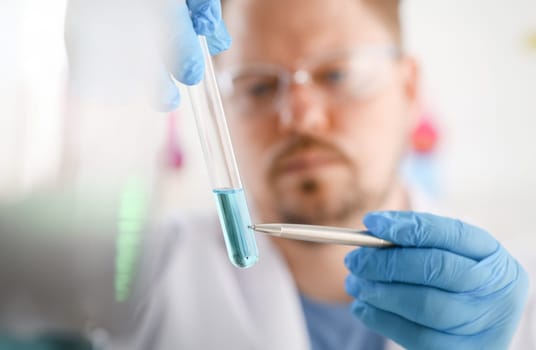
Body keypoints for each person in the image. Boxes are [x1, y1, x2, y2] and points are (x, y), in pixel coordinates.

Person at [0, 0, 532, 349]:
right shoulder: (146, 275)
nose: (299, 114)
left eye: (337, 73)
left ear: (410, 87)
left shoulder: (510, 308)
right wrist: (112, 56)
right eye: (256, 86)